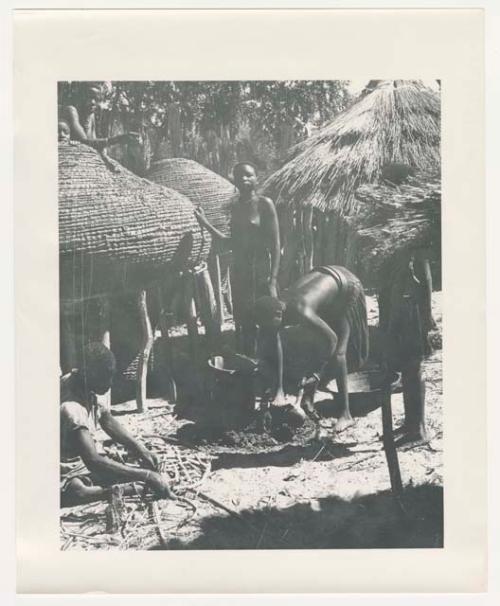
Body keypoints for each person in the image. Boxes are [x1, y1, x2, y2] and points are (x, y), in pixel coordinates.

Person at [254, 265, 369, 431]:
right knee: (315, 344)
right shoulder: (277, 304)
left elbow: (331, 339)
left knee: (339, 353)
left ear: (278, 315)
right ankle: (307, 400)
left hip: (348, 286)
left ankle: (346, 414)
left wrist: (316, 373)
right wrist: (277, 390)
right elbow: (275, 340)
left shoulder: (302, 310)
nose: (271, 331)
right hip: (327, 277)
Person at [60, 342, 171, 506]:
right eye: (105, 378)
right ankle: (114, 492)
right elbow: (93, 460)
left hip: (80, 455)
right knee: (77, 489)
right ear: (88, 375)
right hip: (63, 463)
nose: (110, 383)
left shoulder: (79, 380)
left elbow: (106, 418)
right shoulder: (72, 409)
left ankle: (125, 485)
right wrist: (145, 476)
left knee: (121, 467)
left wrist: (140, 448)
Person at [194, 162, 281, 359]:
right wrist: (205, 223)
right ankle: (250, 367)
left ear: (257, 178)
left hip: (262, 272)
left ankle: (273, 373)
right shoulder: (235, 208)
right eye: (239, 175)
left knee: (269, 324)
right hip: (240, 273)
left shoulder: (265, 204)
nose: (244, 179)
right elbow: (230, 242)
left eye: (248, 175)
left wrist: (273, 280)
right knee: (245, 323)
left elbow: (276, 245)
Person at [378, 248, 435, 446]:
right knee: (405, 367)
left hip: (411, 313)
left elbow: (424, 280)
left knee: (413, 367)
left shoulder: (414, 246)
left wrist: (426, 319)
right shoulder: (393, 248)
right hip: (397, 312)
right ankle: (410, 423)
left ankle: (418, 429)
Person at [58, 82, 140, 152]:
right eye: (89, 97)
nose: (92, 102)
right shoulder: (71, 111)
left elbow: (94, 145)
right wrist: (118, 139)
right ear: (81, 97)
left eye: (96, 99)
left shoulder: (91, 116)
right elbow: (84, 142)